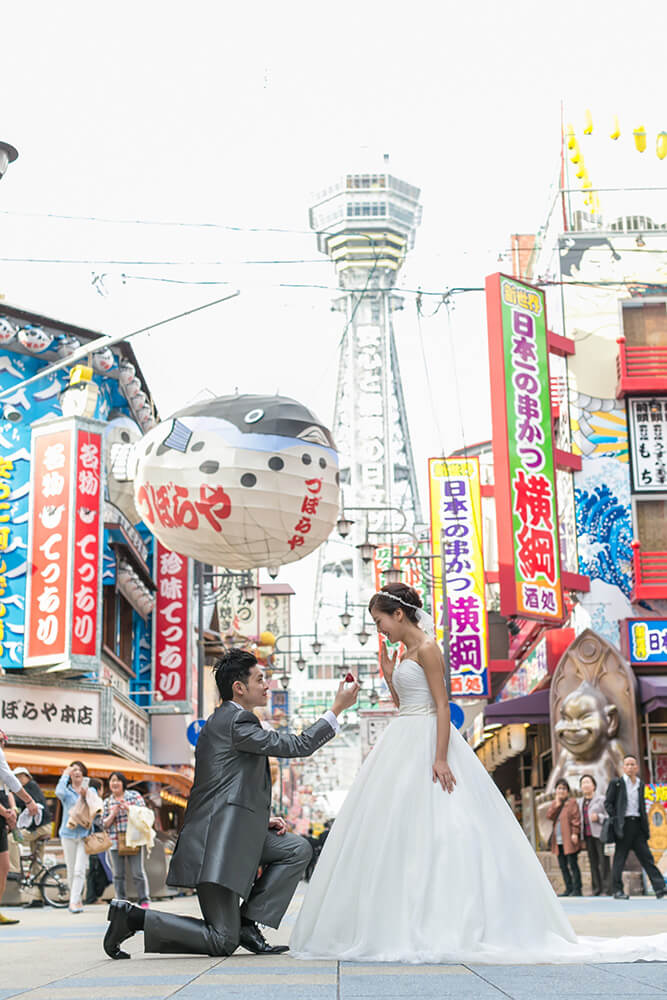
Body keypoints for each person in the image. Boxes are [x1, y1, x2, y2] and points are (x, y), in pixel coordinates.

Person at [290, 583, 667, 965]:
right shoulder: (405, 653)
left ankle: (446, 919)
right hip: (402, 739)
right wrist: (389, 674)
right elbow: (405, 704)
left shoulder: (428, 649)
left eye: (380, 620)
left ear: (398, 614)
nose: (379, 629)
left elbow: (440, 705)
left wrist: (440, 758)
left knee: (446, 828)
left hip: (427, 740)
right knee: (399, 830)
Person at [103, 648, 359, 960]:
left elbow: (220, 786)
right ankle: (132, 918)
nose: (266, 685)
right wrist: (336, 709)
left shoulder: (226, 721)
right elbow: (298, 745)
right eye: (260, 679)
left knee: (296, 849)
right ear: (239, 687)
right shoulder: (238, 721)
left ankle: (249, 924)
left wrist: (259, 820)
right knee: (222, 941)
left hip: (234, 835)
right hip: (217, 847)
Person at [605, 754, 666, 900]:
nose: (630, 767)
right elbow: (608, 803)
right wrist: (616, 818)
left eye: (633, 764)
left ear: (637, 767)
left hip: (637, 825)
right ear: (623, 767)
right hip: (623, 825)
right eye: (627, 764)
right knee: (620, 858)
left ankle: (660, 888)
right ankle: (617, 890)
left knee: (647, 857)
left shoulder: (640, 784)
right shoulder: (617, 783)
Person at [0, 731, 39, 925]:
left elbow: (6, 786)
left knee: (4, 866)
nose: (2, 745)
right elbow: (9, 778)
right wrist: (29, 801)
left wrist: (12, 810)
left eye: (3, 740)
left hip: (3, 813)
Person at [56, 761, 100, 914]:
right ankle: (76, 898)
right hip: (67, 834)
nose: (77, 772)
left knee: (80, 870)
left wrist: (86, 796)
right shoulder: (66, 791)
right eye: (73, 770)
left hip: (84, 835)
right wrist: (64, 775)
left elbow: (96, 807)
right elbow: (58, 793)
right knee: (71, 869)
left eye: (79, 770)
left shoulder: (91, 790)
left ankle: (73, 902)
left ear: (84, 774)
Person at [102, 772, 150, 908]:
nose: (114, 783)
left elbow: (144, 814)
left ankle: (144, 899)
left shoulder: (134, 796)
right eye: (112, 781)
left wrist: (128, 808)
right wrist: (113, 813)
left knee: (138, 872)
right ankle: (121, 901)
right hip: (115, 841)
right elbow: (104, 824)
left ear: (123, 783)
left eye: (117, 780)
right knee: (118, 874)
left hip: (134, 839)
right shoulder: (107, 802)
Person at [546, 779, 582, 897]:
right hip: (558, 841)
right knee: (563, 866)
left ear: (568, 791)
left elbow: (576, 818)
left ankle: (577, 889)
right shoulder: (554, 803)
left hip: (569, 839)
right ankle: (568, 888)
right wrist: (556, 803)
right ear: (556, 790)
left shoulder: (572, 802)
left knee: (573, 864)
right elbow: (549, 816)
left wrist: (575, 833)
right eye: (559, 788)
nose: (561, 791)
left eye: (564, 789)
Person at [13, 767, 51, 879]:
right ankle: (38, 894)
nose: (18, 779)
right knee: (37, 860)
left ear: (27, 777)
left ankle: (13, 869)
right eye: (16, 777)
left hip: (40, 827)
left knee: (12, 839)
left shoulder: (31, 786)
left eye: (21, 776)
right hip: (39, 827)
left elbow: (19, 801)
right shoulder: (28, 787)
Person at [579, 774, 610, 896]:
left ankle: (607, 889)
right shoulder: (580, 802)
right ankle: (596, 889)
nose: (585, 785)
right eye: (583, 783)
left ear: (594, 786)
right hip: (587, 835)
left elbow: (609, 816)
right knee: (593, 863)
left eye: (588, 782)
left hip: (600, 835)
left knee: (604, 862)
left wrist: (599, 817)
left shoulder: (601, 799)